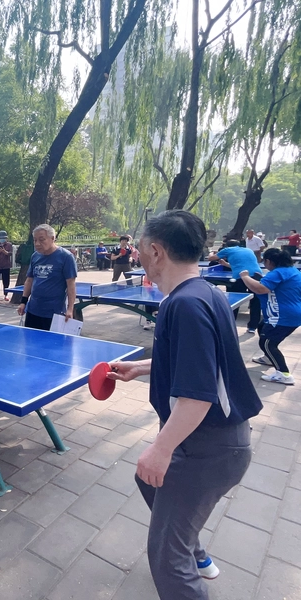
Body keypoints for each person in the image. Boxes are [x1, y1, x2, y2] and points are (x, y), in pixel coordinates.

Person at [108, 210, 261, 600]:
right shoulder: (206, 292)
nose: (139, 256)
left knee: (166, 559)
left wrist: (161, 449)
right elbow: (199, 361)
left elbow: (198, 395)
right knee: (147, 479)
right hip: (217, 442)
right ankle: (198, 553)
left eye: (141, 250)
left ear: (156, 252)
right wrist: (140, 367)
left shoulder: (184, 305)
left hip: (207, 448)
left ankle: (187, 555)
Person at [240, 247, 301, 385]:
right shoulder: (292, 271)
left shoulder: (277, 273)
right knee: (262, 327)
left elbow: (260, 289)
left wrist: (245, 277)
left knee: (267, 342)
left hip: (283, 316)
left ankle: (284, 374)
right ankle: (269, 358)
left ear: (268, 261)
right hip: (289, 314)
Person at [16, 224, 77, 330]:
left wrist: (70, 309)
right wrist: (23, 302)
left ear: (52, 238)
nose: (37, 244)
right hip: (33, 310)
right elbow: (29, 280)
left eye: (41, 239)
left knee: (51, 345)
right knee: (31, 343)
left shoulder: (66, 257)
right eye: (35, 240)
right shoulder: (35, 256)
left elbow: (71, 285)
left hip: (54, 312)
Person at [208, 239, 263, 333]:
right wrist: (225, 264)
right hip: (257, 275)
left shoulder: (227, 250)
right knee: (255, 301)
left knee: (235, 300)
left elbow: (211, 258)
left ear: (227, 246)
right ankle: (252, 327)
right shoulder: (248, 250)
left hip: (240, 276)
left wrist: (211, 253)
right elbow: (239, 265)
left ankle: (230, 324)